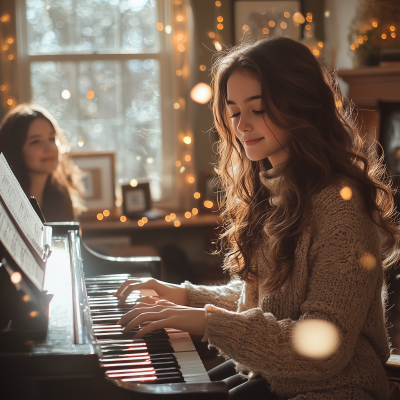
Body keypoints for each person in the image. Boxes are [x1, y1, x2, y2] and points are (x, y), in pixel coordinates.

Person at [114, 37, 400, 399]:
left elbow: (323, 347)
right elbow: (269, 300)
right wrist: (184, 296)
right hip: (272, 378)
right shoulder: (272, 187)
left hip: (334, 389)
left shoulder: (340, 204)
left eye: (258, 108)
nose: (241, 126)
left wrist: (203, 320)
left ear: (302, 106)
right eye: (234, 112)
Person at [0, 103, 82, 222]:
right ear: (14, 150)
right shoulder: (5, 204)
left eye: (51, 138)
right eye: (35, 142)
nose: (49, 148)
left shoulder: (62, 197)